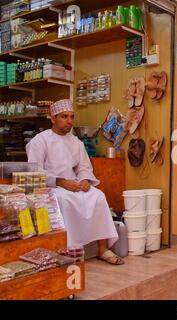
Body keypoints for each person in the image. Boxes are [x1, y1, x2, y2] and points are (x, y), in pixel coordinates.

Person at [26, 99, 124, 265]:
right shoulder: (39, 141)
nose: (69, 121)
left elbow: (84, 167)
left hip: (74, 185)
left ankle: (102, 249)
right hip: (50, 187)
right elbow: (34, 172)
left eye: (71, 117)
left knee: (98, 196)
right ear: (52, 118)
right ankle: (69, 250)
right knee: (63, 200)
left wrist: (85, 180)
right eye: (64, 116)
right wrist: (60, 181)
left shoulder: (76, 142)